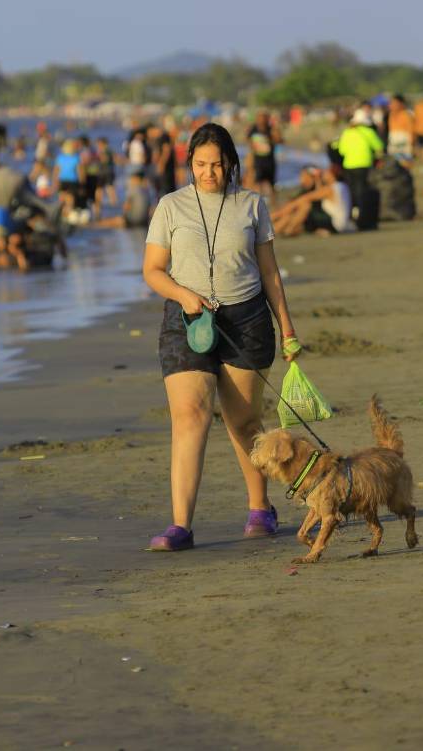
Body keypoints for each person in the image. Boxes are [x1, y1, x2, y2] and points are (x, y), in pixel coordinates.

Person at [142, 122, 300, 551]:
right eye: (200, 165)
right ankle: (180, 526)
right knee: (190, 414)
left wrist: (286, 327)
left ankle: (259, 507)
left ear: (231, 163)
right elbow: (153, 270)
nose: (208, 173)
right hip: (186, 320)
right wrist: (183, 295)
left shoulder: (252, 204)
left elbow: (269, 272)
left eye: (216, 164)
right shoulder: (170, 207)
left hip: (246, 319)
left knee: (243, 421)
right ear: (189, 163)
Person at [270, 167, 352, 236]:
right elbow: (319, 195)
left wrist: (280, 213)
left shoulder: (330, 188)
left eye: (326, 173)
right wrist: (318, 180)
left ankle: (285, 228)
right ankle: (278, 229)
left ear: (332, 175)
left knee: (305, 205)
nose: (324, 175)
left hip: (334, 223)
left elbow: (307, 197)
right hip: (341, 224)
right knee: (294, 210)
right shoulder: (342, 186)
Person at [331, 109, 384, 216]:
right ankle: (362, 211)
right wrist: (378, 158)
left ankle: (353, 210)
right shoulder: (369, 132)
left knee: (352, 188)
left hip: (348, 164)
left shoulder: (346, 132)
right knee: (362, 188)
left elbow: (342, 150)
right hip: (364, 164)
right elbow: (379, 146)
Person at [246, 111, 282, 198]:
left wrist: (274, 135)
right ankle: (258, 201)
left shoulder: (271, 129)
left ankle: (273, 203)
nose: (261, 121)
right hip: (257, 160)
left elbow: (279, 141)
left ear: (267, 119)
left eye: (263, 119)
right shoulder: (253, 129)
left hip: (269, 161)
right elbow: (248, 140)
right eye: (259, 118)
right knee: (257, 183)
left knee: (271, 184)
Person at [53, 139, 85, 216]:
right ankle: (69, 215)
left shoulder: (60, 158)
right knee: (70, 200)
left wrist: (54, 183)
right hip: (72, 181)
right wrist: (82, 184)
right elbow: (80, 172)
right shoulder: (76, 158)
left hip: (62, 180)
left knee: (62, 199)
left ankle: (62, 215)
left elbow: (56, 172)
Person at [147, 123, 176, 199]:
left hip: (167, 169)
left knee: (167, 191)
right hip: (167, 169)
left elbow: (166, 150)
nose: (149, 135)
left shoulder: (164, 136)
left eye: (149, 133)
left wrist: (161, 164)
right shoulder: (160, 138)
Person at [387, 95, 415, 164]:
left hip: (404, 145)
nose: (392, 105)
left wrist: (410, 145)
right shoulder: (391, 115)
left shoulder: (406, 115)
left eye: (394, 103)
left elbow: (411, 131)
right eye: (391, 103)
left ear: (401, 104)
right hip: (393, 144)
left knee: (404, 164)